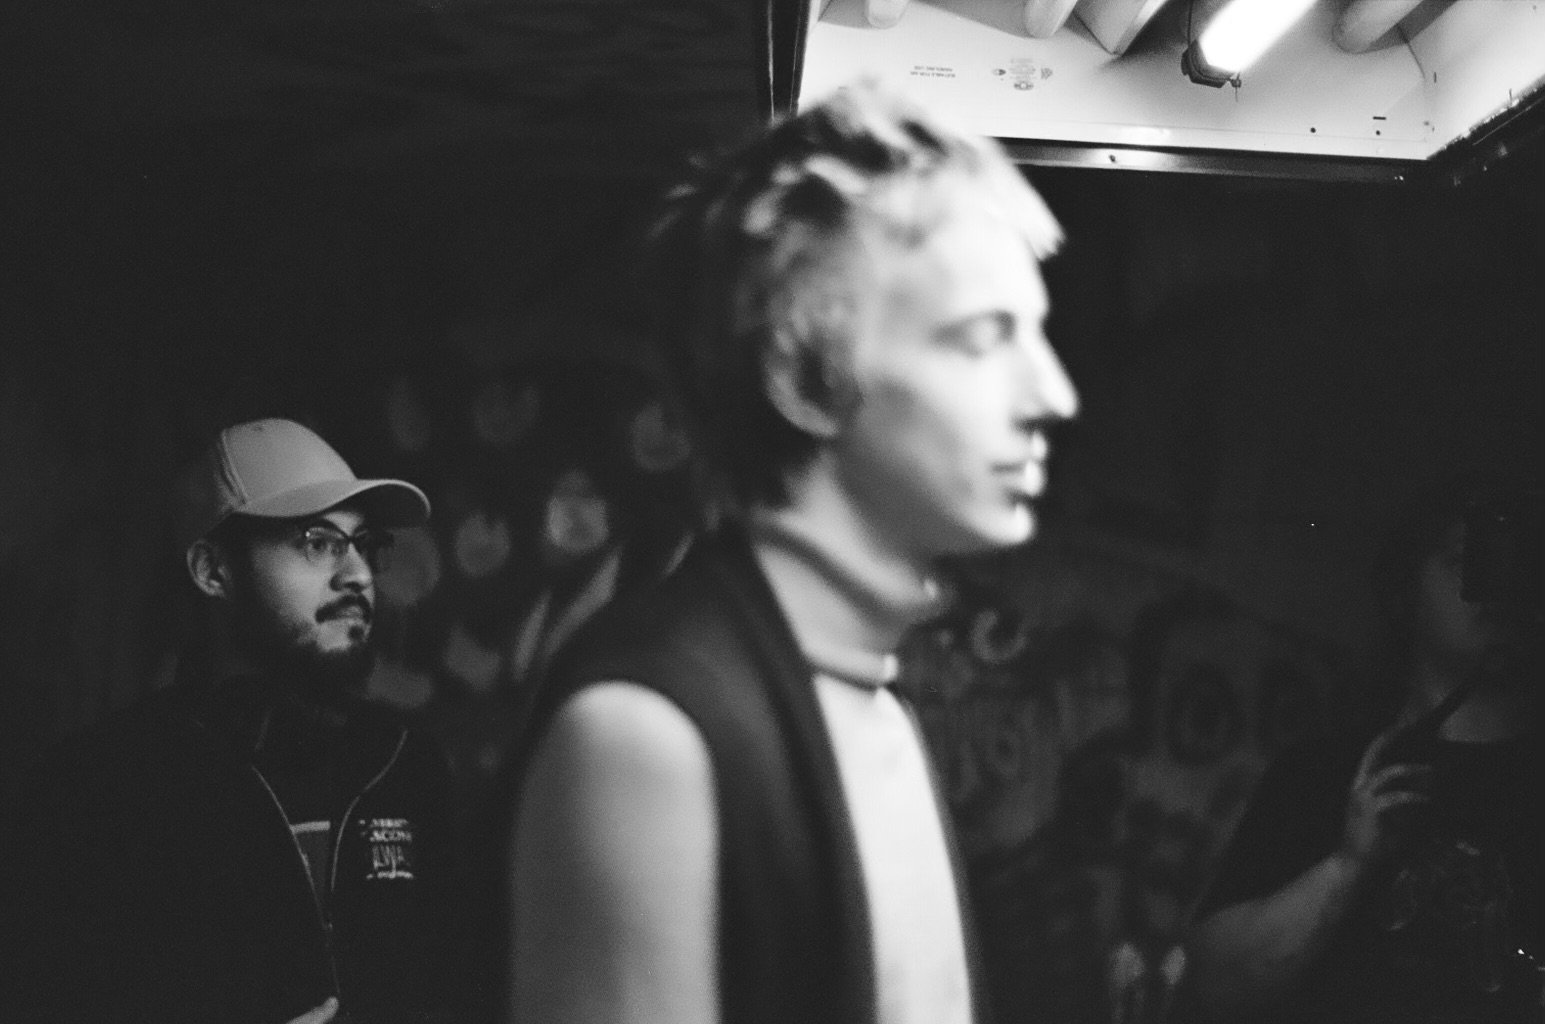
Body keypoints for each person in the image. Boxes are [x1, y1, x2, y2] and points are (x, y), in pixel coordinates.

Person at [504, 80, 1080, 1024]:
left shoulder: (872, 698)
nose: (1051, 394)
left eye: (1040, 336)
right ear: (805, 377)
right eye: (984, 339)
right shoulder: (646, 736)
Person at [7, 417, 463, 1024]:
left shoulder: (410, 767)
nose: (356, 575)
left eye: (364, 546)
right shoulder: (98, 789)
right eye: (317, 542)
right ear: (213, 571)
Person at [1180, 479, 1543, 1024]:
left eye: (1516, 568)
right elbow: (1215, 984)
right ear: (1405, 589)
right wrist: (1348, 867)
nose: (1492, 589)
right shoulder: (1321, 775)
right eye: (1467, 562)